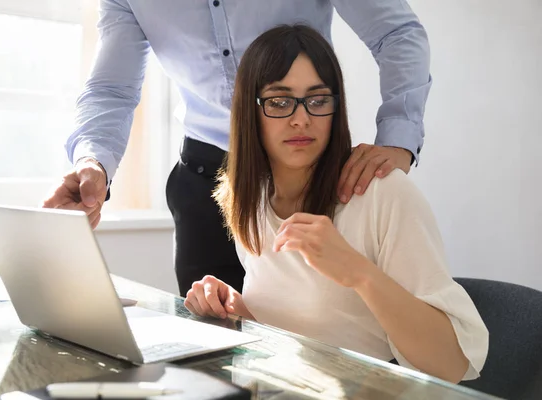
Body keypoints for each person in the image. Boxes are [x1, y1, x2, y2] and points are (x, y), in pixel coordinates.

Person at [41, 1, 432, 296]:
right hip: (206, 181)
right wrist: (93, 161)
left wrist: (398, 138)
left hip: (305, 178)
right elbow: (112, 87)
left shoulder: (387, 201)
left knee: (325, 340)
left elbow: (395, 33)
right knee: (214, 350)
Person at [183, 25, 488, 383]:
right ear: (250, 112)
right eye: (279, 102)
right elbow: (308, 333)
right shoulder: (250, 197)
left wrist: (357, 272)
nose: (301, 119)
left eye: (318, 100)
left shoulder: (381, 194)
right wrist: (236, 309)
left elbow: (452, 365)